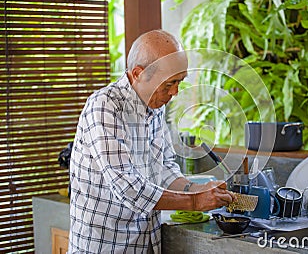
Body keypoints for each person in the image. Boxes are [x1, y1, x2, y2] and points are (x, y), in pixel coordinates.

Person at [67, 29, 235, 253]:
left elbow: (164, 168)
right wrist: (194, 202)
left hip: (146, 244)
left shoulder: (155, 106)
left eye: (179, 82)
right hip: (104, 247)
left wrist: (196, 189)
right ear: (138, 73)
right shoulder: (105, 105)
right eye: (168, 84)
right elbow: (127, 186)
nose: (174, 92)